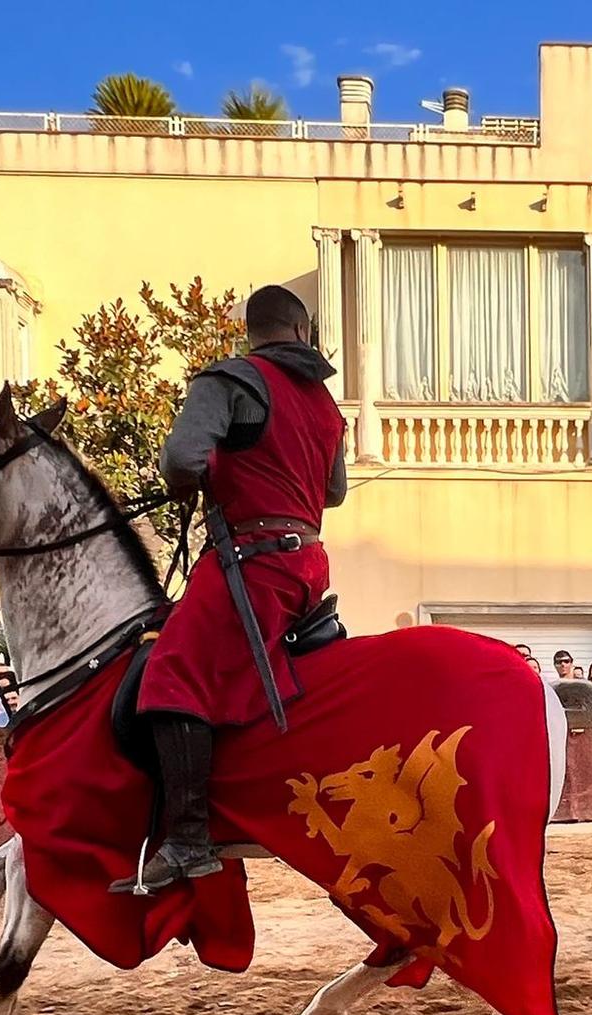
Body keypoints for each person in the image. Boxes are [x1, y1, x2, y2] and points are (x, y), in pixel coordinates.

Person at [124, 283, 346, 893]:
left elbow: (181, 461)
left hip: (253, 563)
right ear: (301, 333)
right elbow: (334, 493)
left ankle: (189, 839)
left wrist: (205, 482)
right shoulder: (326, 405)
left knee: (171, 673)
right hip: (308, 566)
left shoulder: (229, 380)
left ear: (252, 331)